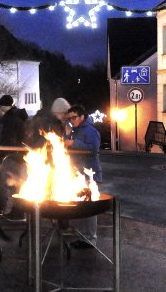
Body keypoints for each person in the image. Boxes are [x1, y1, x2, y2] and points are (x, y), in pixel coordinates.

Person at [65, 104, 102, 249]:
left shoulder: (91, 131)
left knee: (89, 209)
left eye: (74, 117)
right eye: (70, 118)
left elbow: (93, 149)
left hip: (90, 176)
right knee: (81, 207)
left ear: (82, 116)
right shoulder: (75, 130)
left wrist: (74, 142)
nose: (71, 120)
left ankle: (90, 239)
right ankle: (82, 237)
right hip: (78, 175)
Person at [0, 94, 28, 220]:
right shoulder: (19, 117)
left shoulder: (10, 120)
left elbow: (7, 141)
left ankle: (13, 210)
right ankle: (18, 210)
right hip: (19, 156)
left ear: (3, 107)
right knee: (16, 184)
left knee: (6, 184)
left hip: (11, 156)